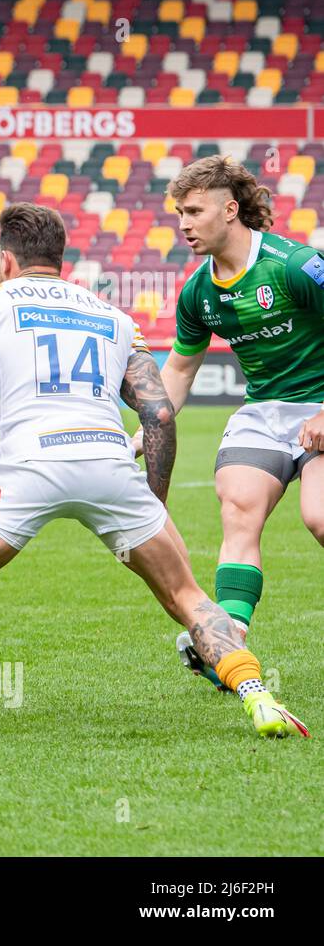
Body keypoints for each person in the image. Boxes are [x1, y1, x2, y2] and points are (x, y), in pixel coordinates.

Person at [0, 203, 308, 739]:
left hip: (28, 466)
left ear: (6, 259)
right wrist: (153, 503)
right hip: (107, 462)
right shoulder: (113, 317)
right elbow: (159, 412)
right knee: (186, 596)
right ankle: (260, 698)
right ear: (61, 259)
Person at [134, 156, 324, 690]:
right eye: (179, 213)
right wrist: (146, 431)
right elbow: (179, 368)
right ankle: (227, 645)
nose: (184, 224)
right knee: (238, 508)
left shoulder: (295, 265)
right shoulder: (198, 292)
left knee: (320, 518)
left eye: (194, 211)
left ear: (231, 209)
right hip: (264, 411)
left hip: (322, 403)